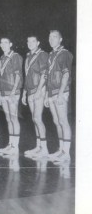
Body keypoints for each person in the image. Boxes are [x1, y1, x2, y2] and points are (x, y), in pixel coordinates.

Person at [44, 30, 73, 162]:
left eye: (54, 37)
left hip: (60, 92)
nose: (51, 39)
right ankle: (61, 150)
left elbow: (66, 75)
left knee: (63, 121)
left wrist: (61, 94)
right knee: (56, 122)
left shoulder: (64, 53)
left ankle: (66, 153)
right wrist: (46, 95)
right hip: (51, 92)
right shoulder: (51, 55)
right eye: (50, 37)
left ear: (60, 39)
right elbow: (48, 77)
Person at [22, 36, 49, 158]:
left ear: (38, 42)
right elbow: (27, 76)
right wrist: (24, 93)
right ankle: (38, 147)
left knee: (38, 118)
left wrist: (39, 90)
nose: (30, 43)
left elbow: (45, 73)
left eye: (33, 41)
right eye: (28, 41)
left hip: (39, 90)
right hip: (30, 91)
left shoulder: (42, 54)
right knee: (34, 119)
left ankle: (44, 149)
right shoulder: (28, 56)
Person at [0, 37, 23, 155]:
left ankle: (15, 146)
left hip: (13, 92)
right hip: (4, 92)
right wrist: (0, 94)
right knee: (8, 119)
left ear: (11, 44)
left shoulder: (15, 56)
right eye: (1, 42)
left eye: (6, 42)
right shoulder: (2, 58)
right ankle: (11, 144)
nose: (3, 44)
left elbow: (18, 75)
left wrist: (13, 92)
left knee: (13, 118)